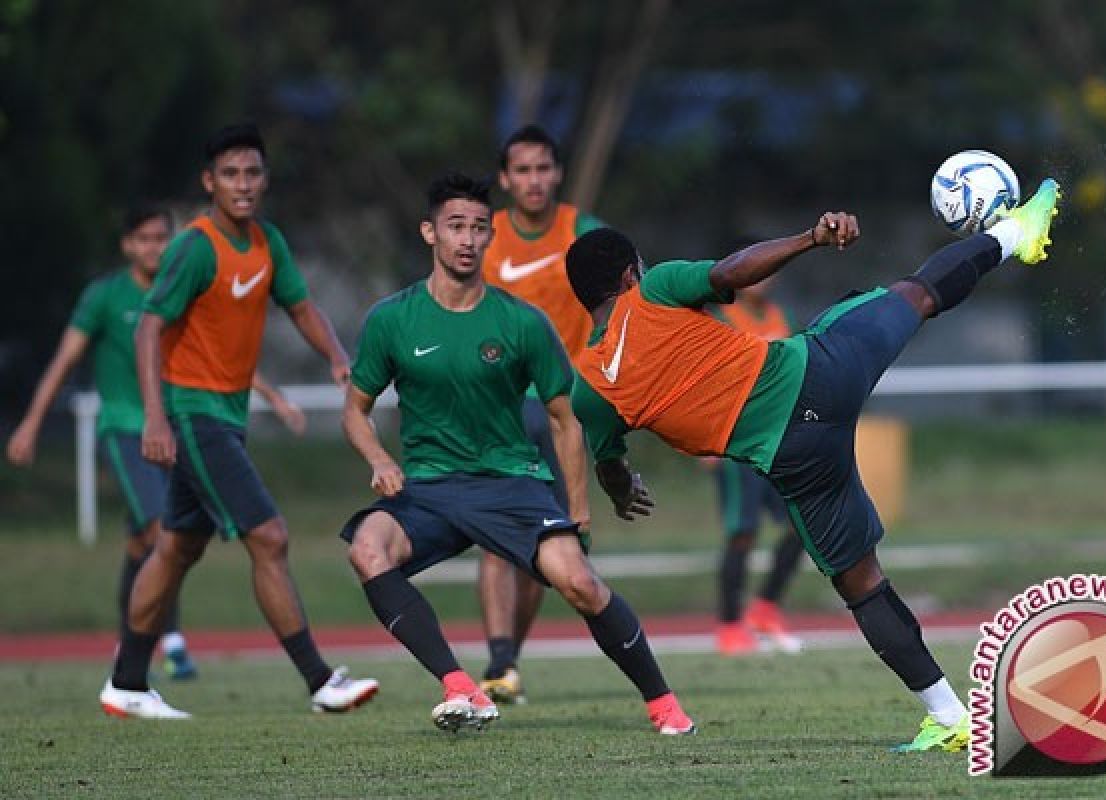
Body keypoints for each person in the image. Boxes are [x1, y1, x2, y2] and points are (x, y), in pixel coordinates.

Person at [564, 178, 1062, 752]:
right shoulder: (652, 290)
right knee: (917, 294)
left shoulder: (590, 390)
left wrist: (624, 492)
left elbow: (609, 466)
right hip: (820, 373)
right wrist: (809, 238)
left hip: (795, 457)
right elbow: (730, 272)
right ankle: (1010, 234)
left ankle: (950, 716)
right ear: (631, 273)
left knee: (864, 586)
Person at [339, 172, 693, 735]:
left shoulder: (522, 322)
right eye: (456, 226)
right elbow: (354, 409)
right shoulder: (392, 319)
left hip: (511, 484)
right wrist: (380, 460)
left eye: (480, 228)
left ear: (489, 239)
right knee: (367, 549)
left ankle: (665, 706)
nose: (468, 239)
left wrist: (578, 508)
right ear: (430, 232)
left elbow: (564, 416)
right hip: (428, 491)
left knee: (577, 582)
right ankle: (460, 687)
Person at [99, 123, 378, 719]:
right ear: (210, 182)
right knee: (269, 536)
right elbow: (149, 327)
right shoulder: (196, 247)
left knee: (174, 549)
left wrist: (336, 357)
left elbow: (301, 306)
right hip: (195, 415)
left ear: (264, 179)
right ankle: (320, 681)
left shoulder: (268, 242)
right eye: (231, 174)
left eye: (253, 173)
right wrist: (155, 417)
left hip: (227, 415)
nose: (243, 184)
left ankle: (125, 683)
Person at [7, 207, 307, 681]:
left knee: (143, 544)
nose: (155, 248)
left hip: (179, 427)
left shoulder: (185, 286)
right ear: (127, 245)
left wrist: (273, 397)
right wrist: (31, 423)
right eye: (144, 239)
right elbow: (65, 359)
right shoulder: (105, 296)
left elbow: (221, 358)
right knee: (157, 532)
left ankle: (128, 657)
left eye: (162, 238)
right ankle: (170, 642)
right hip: (127, 428)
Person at [477, 124, 605, 703]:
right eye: (521, 170)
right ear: (506, 178)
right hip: (497, 410)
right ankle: (500, 661)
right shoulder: (483, 238)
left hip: (563, 414)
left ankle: (507, 662)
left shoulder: (585, 233)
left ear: (557, 172)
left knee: (545, 546)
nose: (534, 180)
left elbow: (636, 298)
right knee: (494, 538)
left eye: (542, 168)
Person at [706, 275, 806, 656]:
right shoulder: (720, 318)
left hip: (779, 443)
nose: (763, 278)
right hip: (737, 444)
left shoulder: (782, 317)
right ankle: (730, 625)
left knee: (803, 523)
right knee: (741, 532)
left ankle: (765, 608)